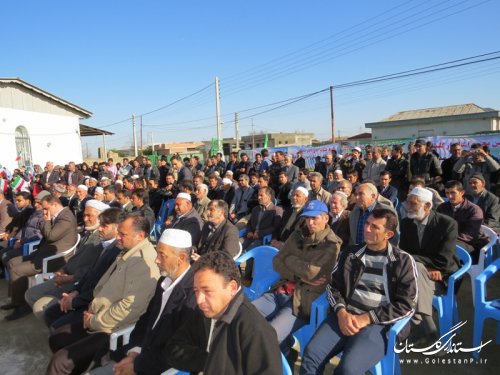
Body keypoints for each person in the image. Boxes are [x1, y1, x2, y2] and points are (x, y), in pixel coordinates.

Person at [300, 208, 417, 374]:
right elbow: (334, 286)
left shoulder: (402, 261)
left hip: (378, 324)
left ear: (388, 234)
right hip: (345, 316)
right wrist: (341, 313)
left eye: (375, 227)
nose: (367, 229)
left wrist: (367, 318)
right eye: (367, 224)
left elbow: (407, 305)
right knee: (311, 355)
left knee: (347, 369)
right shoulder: (350, 253)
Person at [46, 213, 160, 375]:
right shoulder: (128, 250)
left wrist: (94, 321)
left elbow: (129, 309)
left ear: (140, 236)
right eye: (118, 233)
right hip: (97, 314)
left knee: (60, 362)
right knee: (57, 338)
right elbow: (103, 284)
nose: (118, 237)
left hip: (112, 328)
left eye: (123, 234)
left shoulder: (142, 262)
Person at [89, 229, 197, 375]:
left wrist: (136, 366)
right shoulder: (163, 281)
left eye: (162, 255)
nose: (156, 260)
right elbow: (145, 321)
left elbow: (176, 349)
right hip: (140, 352)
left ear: (181, 258)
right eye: (157, 253)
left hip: (156, 366)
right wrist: (134, 352)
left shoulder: (193, 295)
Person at [165, 251, 283, 375]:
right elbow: (173, 348)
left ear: (232, 288)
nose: (199, 300)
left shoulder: (255, 329)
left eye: (207, 291)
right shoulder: (205, 312)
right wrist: (210, 362)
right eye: (196, 290)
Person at [253, 200, 341, 356]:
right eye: (307, 218)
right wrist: (297, 273)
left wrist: (289, 260)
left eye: (315, 218)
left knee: (267, 336)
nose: (310, 222)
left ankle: (282, 352)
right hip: (280, 290)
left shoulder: (331, 244)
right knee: (245, 314)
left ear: (326, 218)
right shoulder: (297, 235)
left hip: (302, 300)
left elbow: (311, 273)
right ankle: (286, 347)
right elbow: (276, 262)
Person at [24, 200, 109, 320]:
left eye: (89, 216)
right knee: (30, 294)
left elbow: (92, 272)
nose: (85, 219)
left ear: (101, 217)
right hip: (66, 276)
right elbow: (75, 258)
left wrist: (67, 278)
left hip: (76, 283)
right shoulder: (88, 234)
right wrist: (63, 270)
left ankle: (56, 324)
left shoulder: (103, 241)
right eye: (84, 215)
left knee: (40, 307)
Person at [42, 208, 122, 331]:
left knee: (58, 328)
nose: (99, 228)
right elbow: (89, 274)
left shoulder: (117, 253)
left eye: (104, 226)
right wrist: (75, 292)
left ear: (117, 228)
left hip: (92, 303)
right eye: (100, 224)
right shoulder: (105, 245)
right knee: (49, 314)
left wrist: (74, 302)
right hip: (81, 295)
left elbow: (101, 288)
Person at [2, 194, 78, 320]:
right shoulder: (58, 215)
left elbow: (51, 236)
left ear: (54, 204)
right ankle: (16, 300)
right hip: (43, 252)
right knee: (12, 262)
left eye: (46, 208)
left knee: (16, 270)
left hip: (53, 259)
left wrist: (46, 221)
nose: (44, 212)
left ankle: (22, 306)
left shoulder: (66, 217)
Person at [399, 187, 458, 344]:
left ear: (427, 206)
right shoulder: (406, 223)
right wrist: (423, 265)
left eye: (413, 204)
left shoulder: (447, 224)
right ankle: (426, 327)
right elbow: (404, 253)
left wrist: (418, 262)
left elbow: (443, 261)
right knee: (414, 270)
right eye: (408, 203)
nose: (408, 207)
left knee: (414, 271)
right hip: (419, 273)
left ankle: (421, 326)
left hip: (442, 275)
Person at [437, 180, 488, 263]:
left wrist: (447, 239)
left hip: (471, 244)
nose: (449, 196)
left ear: (462, 192)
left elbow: (469, 235)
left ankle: (452, 273)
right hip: (448, 240)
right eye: (447, 193)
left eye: (453, 193)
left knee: (448, 248)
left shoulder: (474, 210)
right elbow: (436, 226)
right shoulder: (442, 207)